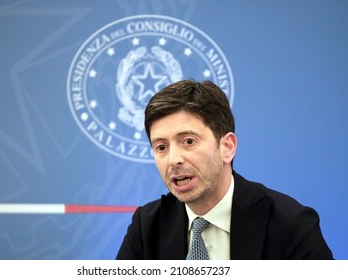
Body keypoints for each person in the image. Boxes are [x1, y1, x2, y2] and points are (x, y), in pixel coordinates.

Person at [116, 79, 333, 260]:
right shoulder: (147, 226)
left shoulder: (290, 223)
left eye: (188, 141)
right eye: (161, 147)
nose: (173, 160)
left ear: (227, 147)